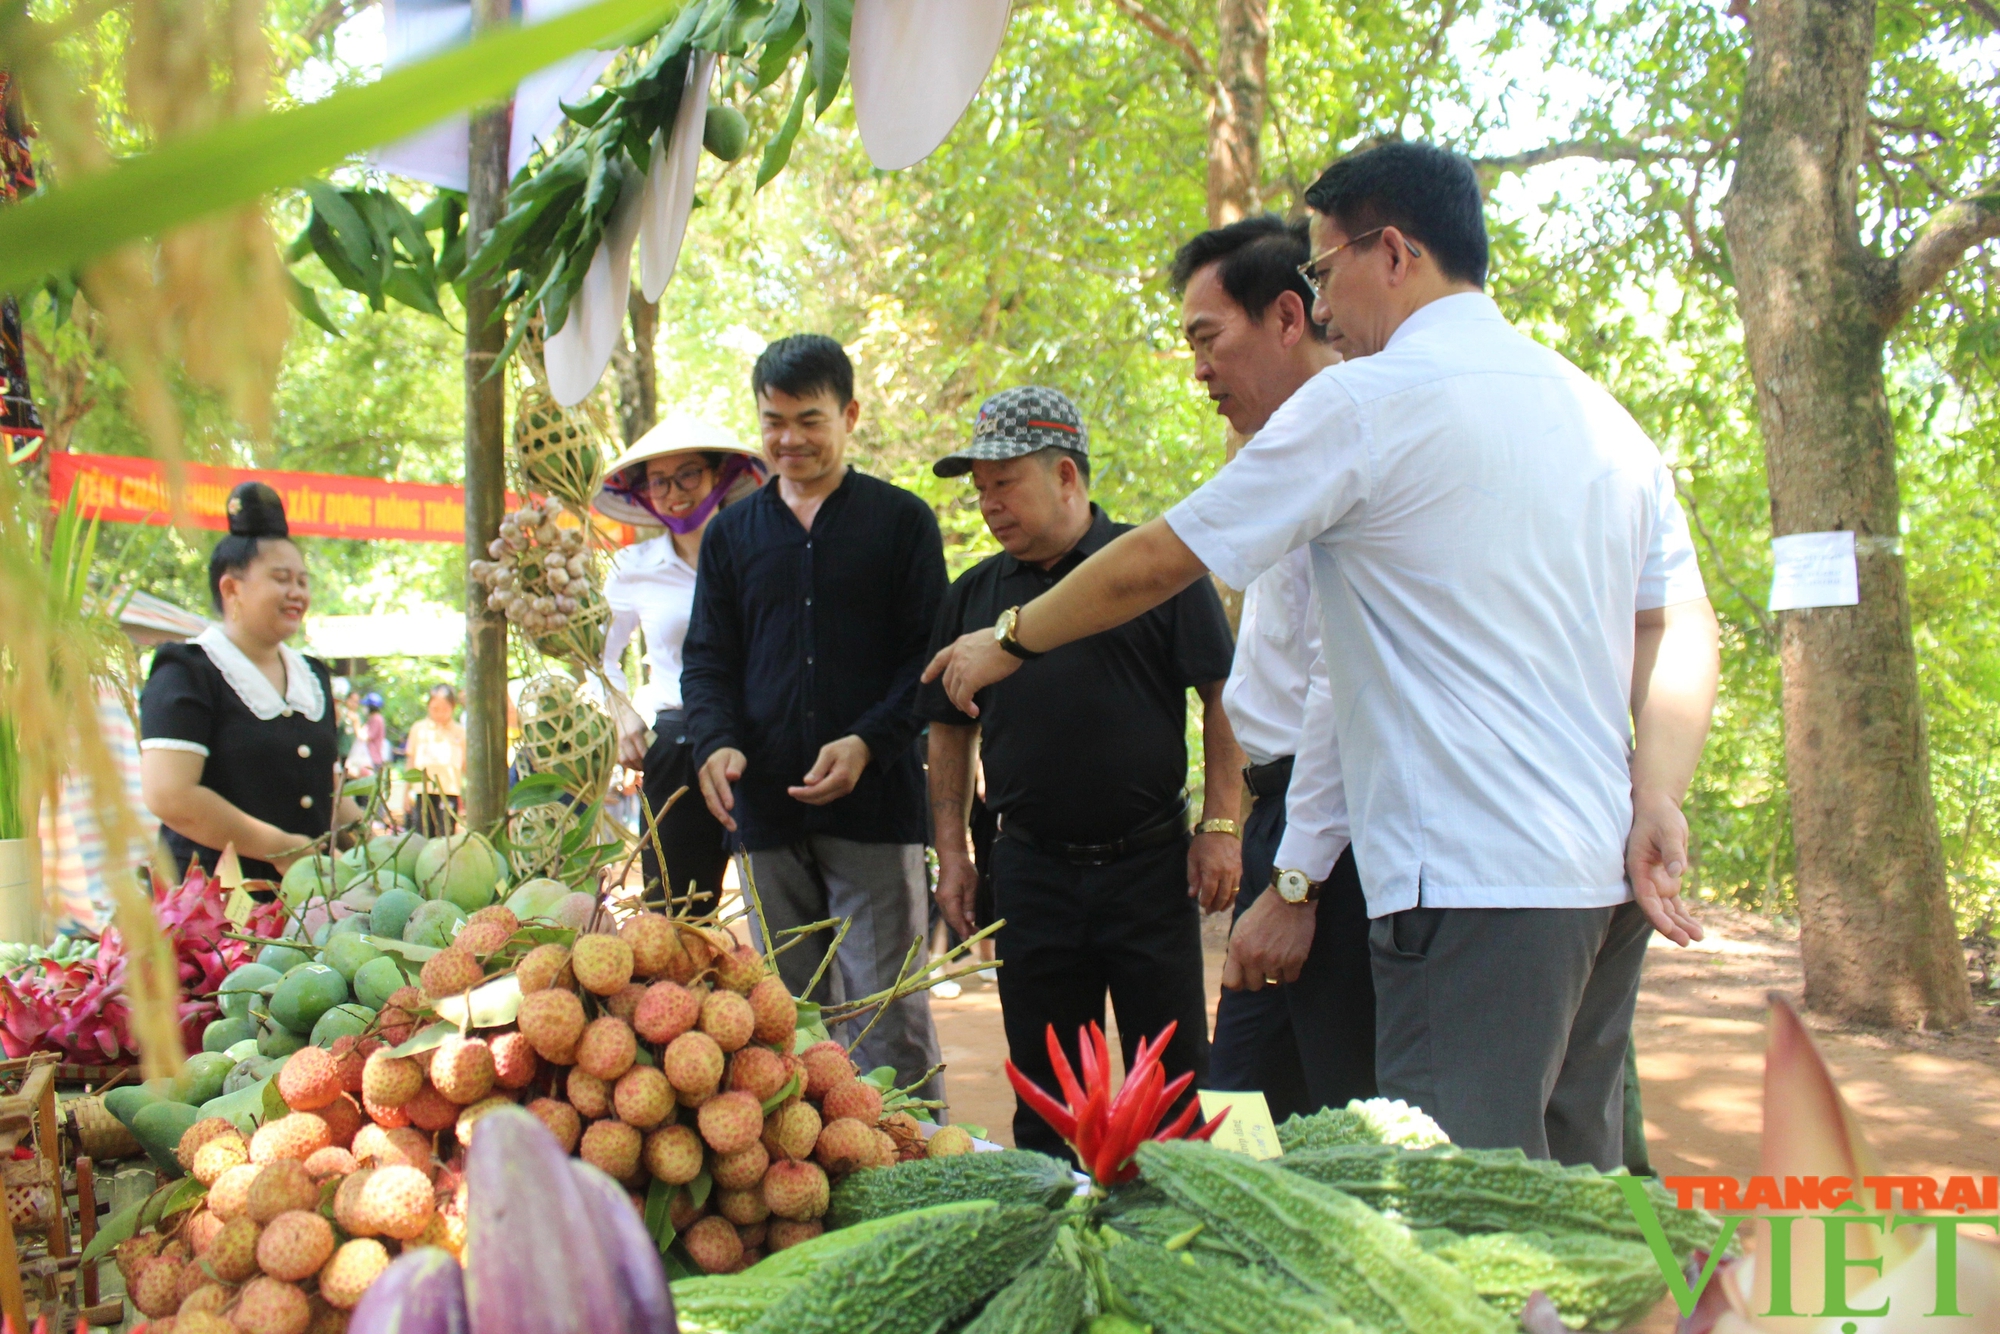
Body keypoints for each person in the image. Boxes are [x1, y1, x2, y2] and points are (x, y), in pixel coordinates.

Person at [926, 141, 1721, 1169]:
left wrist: (1010, 638)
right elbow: (1672, 623)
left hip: (1462, 876)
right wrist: (1657, 791)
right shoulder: (1602, 419)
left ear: (1391, 252)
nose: (1321, 299)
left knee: (1460, 1202)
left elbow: (1157, 561)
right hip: (1591, 869)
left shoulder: (1364, 404)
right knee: (1566, 1186)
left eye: (1324, 265)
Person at [920, 386, 1241, 1160]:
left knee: (1174, 1084)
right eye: (980, 490)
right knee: (1047, 1091)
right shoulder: (974, 594)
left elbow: (1224, 701)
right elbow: (947, 732)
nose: (988, 505)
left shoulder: (1152, 572)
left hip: (1150, 865)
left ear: (1066, 475)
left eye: (1004, 484)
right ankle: (1058, 1245)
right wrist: (957, 854)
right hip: (1030, 871)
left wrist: (1221, 826)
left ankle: (1178, 1249)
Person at [682, 334, 948, 1100]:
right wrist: (715, 743)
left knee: (885, 1011)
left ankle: (915, 1159)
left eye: (809, 419)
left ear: (849, 415)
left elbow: (926, 661)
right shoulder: (732, 535)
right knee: (784, 1017)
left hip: (876, 809)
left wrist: (869, 741)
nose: (789, 439)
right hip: (761, 808)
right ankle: (809, 1174)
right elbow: (707, 659)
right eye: (773, 421)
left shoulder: (902, 523)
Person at [1170, 215, 1376, 1119]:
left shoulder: (1351, 442)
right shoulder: (1278, 451)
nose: (1200, 370)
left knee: (1344, 1103)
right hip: (1282, 819)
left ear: (1289, 319)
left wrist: (1297, 882)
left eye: (1209, 340)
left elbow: (1340, 686)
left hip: (1326, 829)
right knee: (1243, 1099)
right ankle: (1235, 1252)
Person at [140, 481, 362, 882]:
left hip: (312, 905)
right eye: (281, 578)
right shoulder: (188, 671)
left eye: (302, 580)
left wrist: (373, 847)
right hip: (215, 913)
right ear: (231, 588)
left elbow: (326, 786)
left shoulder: (312, 675)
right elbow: (169, 794)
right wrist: (280, 847)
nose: (297, 592)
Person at [596, 414, 766, 911]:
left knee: (780, 912)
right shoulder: (632, 568)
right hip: (676, 746)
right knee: (676, 916)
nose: (675, 493)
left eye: (689, 474)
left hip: (762, 740)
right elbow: (598, 658)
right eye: (659, 481)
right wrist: (623, 715)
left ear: (721, 474)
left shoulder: (760, 552)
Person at [404, 685, 466, 836]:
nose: (439, 714)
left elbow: (466, 765)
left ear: (453, 707)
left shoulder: (461, 732)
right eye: (434, 708)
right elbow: (410, 762)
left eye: (444, 709)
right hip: (423, 791)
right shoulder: (418, 729)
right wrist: (406, 793)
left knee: (446, 836)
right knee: (422, 834)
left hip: (449, 791)